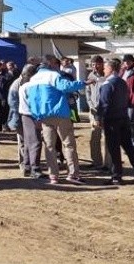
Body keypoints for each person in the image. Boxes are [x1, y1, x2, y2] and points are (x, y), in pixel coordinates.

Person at [25, 54, 94, 185]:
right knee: (68, 144)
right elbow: (66, 86)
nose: (58, 65)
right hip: (60, 113)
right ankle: (73, 174)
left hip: (44, 116)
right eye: (56, 63)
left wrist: (36, 116)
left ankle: (53, 176)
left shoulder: (33, 79)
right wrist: (84, 83)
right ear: (51, 63)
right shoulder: (53, 75)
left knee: (49, 146)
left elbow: (31, 100)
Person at [97, 58, 134, 185]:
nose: (104, 69)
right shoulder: (122, 83)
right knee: (129, 147)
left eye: (106, 67)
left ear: (111, 69)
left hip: (112, 120)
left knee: (114, 149)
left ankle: (116, 175)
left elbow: (103, 104)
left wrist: (99, 118)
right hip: (124, 118)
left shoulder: (107, 84)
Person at [8, 63, 40, 177]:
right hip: (21, 116)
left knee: (26, 142)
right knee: (29, 142)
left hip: (21, 116)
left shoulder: (22, 83)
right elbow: (13, 104)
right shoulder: (21, 85)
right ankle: (29, 166)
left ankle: (26, 165)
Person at [85, 55, 111, 171]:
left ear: (102, 64)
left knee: (107, 138)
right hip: (94, 111)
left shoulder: (107, 76)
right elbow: (88, 93)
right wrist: (91, 106)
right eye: (93, 64)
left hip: (106, 111)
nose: (95, 67)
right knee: (94, 137)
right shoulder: (90, 76)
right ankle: (96, 161)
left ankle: (108, 164)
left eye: (97, 64)